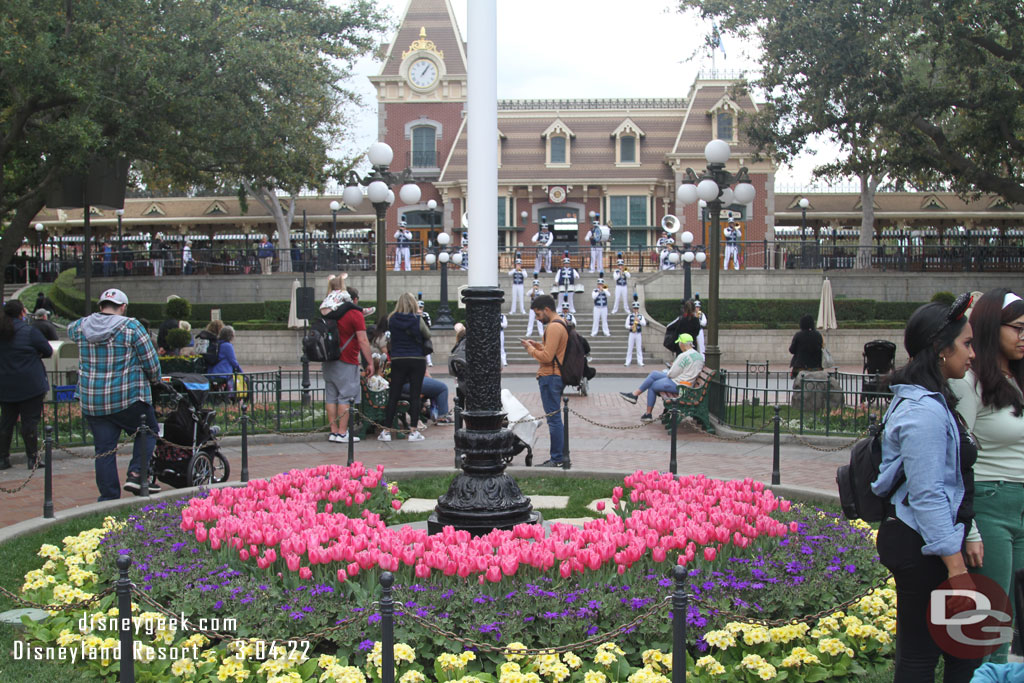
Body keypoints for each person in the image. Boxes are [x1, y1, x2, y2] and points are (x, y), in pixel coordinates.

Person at [872, 293, 981, 681]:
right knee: (920, 656)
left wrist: (967, 535)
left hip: (934, 540)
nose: (972, 353)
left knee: (963, 651)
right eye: (966, 343)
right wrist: (955, 568)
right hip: (921, 544)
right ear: (939, 349)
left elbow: (951, 483)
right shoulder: (923, 412)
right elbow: (928, 494)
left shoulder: (934, 400)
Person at [950, 289, 1024, 664]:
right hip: (991, 505)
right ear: (994, 328)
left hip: (1021, 505)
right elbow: (958, 456)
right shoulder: (970, 382)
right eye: (1018, 329)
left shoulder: (1016, 378)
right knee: (994, 621)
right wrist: (972, 527)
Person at [67, 288, 162, 499]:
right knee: (148, 430)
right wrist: (155, 380)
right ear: (123, 307)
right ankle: (137, 473)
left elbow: (70, 329)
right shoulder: (131, 327)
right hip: (126, 397)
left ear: (101, 306)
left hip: (93, 401)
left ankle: (109, 497)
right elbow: (151, 363)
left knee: (104, 450)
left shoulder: (81, 327)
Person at [0, 301, 52, 470]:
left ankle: (3, 459)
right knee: (30, 422)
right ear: (22, 312)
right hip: (30, 384)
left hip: (5, 383)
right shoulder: (29, 332)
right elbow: (48, 350)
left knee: (6, 422)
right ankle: (32, 458)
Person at [323, 286, 374, 443]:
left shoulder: (330, 313)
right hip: (346, 360)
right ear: (354, 300)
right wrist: (370, 362)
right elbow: (363, 340)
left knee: (331, 396)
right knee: (346, 396)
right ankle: (342, 432)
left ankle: (333, 431)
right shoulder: (354, 313)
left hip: (328, 360)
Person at [522, 294, 568, 468]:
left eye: (539, 314)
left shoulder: (554, 327)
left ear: (547, 310)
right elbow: (553, 352)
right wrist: (539, 346)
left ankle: (557, 458)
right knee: (555, 418)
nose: (538, 319)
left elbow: (548, 357)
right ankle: (560, 455)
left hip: (550, 376)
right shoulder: (560, 323)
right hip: (554, 374)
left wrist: (531, 350)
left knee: (553, 419)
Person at [379, 292, 430, 442]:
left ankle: (386, 430)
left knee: (394, 394)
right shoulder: (417, 319)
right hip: (417, 359)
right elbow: (427, 334)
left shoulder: (392, 319)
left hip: (398, 358)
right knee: (415, 394)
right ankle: (413, 431)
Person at [619, 333, 704, 421]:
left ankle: (648, 414)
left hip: (680, 385)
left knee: (652, 385)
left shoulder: (683, 356)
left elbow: (671, 374)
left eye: (679, 343)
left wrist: (670, 369)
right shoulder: (699, 356)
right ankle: (634, 395)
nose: (679, 346)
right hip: (687, 383)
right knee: (654, 374)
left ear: (682, 344)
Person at [789, 314, 824, 379]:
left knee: (800, 385)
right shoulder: (818, 335)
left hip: (800, 367)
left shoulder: (798, 335)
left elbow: (791, 350)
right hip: (816, 367)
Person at [625, 300, 647, 367]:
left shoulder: (641, 316)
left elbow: (644, 324)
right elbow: (626, 325)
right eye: (635, 308)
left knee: (638, 348)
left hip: (638, 333)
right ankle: (627, 362)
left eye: (637, 308)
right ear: (633, 309)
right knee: (630, 348)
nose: (636, 309)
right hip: (632, 333)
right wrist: (630, 327)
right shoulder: (630, 316)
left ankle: (640, 362)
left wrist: (639, 321)